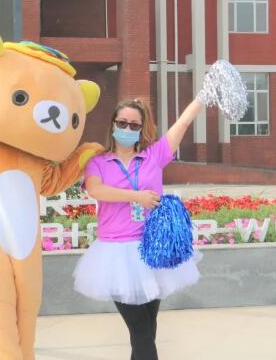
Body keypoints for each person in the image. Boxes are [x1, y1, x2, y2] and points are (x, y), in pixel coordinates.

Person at [73, 97, 203, 360]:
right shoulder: (98, 161)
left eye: (134, 125)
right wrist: (137, 197)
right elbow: (96, 189)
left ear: (141, 128)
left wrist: (202, 96)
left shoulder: (154, 155)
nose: (128, 129)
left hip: (151, 250)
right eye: (122, 123)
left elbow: (184, 122)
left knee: (147, 330)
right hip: (116, 253)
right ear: (112, 124)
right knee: (140, 331)